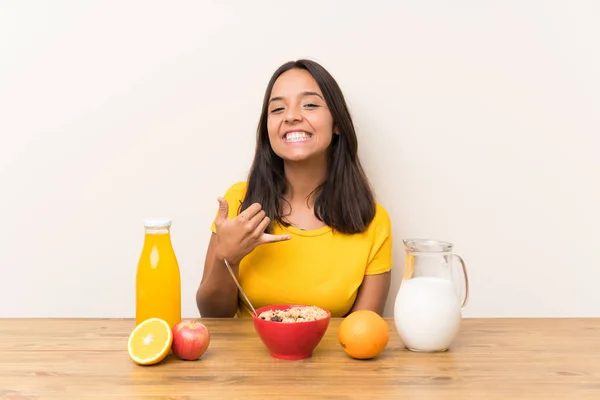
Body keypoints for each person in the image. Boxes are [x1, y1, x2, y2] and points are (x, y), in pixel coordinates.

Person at [196, 59, 392, 318]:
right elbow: (212, 316)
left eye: (310, 105)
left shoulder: (372, 220)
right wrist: (228, 258)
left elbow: (363, 333)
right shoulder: (239, 202)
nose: (291, 116)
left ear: (337, 123)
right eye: (277, 109)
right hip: (247, 359)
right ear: (267, 130)